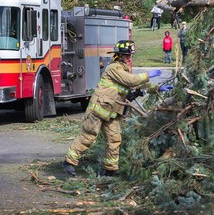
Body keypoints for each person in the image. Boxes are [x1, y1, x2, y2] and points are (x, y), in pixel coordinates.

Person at [63, 40, 163, 177]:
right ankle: (69, 162)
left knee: (115, 139)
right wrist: (148, 75)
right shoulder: (114, 68)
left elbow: (135, 87)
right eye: (127, 55)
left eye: (130, 55)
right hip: (98, 110)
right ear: (119, 55)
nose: (129, 58)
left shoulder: (123, 70)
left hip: (112, 112)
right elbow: (131, 81)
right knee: (88, 136)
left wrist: (157, 88)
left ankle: (110, 169)